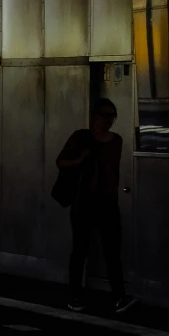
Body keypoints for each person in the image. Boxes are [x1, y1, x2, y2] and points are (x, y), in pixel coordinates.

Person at [56, 98, 133, 314]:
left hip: (108, 202)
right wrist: (80, 161)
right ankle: (75, 295)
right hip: (85, 200)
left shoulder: (116, 141)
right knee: (80, 250)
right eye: (105, 115)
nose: (109, 120)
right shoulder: (81, 137)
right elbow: (60, 161)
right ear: (94, 116)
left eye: (112, 116)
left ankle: (119, 296)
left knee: (112, 251)